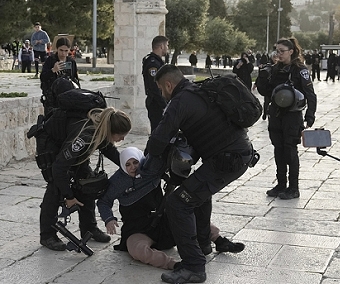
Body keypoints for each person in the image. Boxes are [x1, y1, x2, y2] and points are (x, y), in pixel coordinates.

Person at [146, 65, 253, 283]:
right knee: (198, 193)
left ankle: (194, 267)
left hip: (227, 160)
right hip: (235, 155)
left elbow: (159, 138)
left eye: (160, 88)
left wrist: (146, 163)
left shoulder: (179, 101)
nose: (161, 93)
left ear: (168, 85)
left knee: (178, 203)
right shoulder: (198, 90)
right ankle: (203, 243)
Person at [97, 147, 245, 270]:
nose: (132, 167)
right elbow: (104, 201)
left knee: (190, 217)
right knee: (137, 250)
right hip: (138, 228)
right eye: (127, 164)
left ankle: (219, 241)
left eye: (135, 162)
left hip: (163, 219)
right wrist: (109, 219)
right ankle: (174, 264)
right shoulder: (117, 181)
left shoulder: (150, 171)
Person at [39, 107, 132, 251]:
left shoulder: (102, 129)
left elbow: (109, 150)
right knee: (55, 189)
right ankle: (47, 235)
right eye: (121, 135)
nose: (122, 139)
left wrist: (127, 165)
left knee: (88, 184)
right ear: (111, 131)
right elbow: (59, 168)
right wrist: (68, 196)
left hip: (72, 155)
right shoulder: (85, 138)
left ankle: (89, 228)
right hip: (54, 150)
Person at [257, 38, 317, 200]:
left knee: (290, 150)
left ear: (291, 51)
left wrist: (310, 115)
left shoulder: (300, 70)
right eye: (277, 51)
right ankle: (281, 184)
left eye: (282, 51)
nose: (279, 54)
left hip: (292, 116)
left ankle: (293, 187)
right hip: (276, 114)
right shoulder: (275, 69)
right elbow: (266, 92)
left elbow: (310, 94)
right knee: (278, 149)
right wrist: (262, 76)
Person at [40, 37, 80, 115]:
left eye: (66, 51)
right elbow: (43, 77)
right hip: (52, 98)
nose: (63, 53)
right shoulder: (50, 60)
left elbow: (75, 79)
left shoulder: (71, 62)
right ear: (57, 49)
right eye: (61, 50)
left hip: (68, 96)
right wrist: (53, 70)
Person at [142, 36, 168, 133]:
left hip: (158, 102)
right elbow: (154, 87)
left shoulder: (157, 61)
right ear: (161, 46)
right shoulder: (153, 64)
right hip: (156, 103)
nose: (167, 48)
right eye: (167, 45)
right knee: (157, 131)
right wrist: (164, 105)